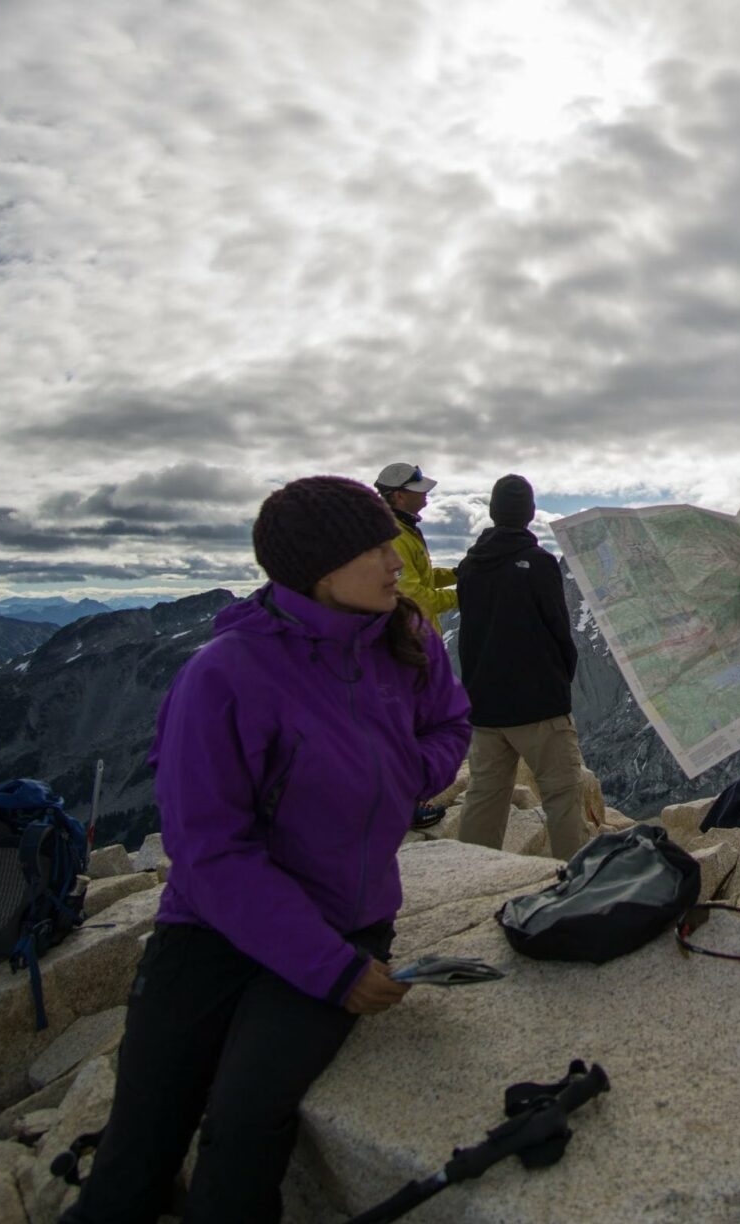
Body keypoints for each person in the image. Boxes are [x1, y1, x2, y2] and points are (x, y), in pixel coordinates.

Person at [61, 477, 472, 1224]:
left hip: (348, 916)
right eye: (376, 549)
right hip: (214, 929)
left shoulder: (406, 640)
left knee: (244, 1122)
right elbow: (209, 852)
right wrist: (333, 971)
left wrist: (406, 772)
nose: (395, 562)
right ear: (318, 571)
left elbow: (450, 724)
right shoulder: (224, 675)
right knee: (138, 1143)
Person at [455, 474, 600, 859]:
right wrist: (559, 681)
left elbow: (468, 635)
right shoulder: (539, 564)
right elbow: (558, 628)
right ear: (531, 513)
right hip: (539, 706)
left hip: (485, 709)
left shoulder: (469, 567)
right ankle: (572, 884)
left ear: (491, 512)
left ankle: (470, 876)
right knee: (562, 798)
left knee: (484, 798)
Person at [375, 461, 458, 629]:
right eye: (419, 489)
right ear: (399, 496)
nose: (426, 491)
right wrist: (463, 596)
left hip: (417, 638)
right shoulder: (395, 537)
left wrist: (458, 573)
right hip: (409, 641)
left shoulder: (404, 530)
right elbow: (413, 597)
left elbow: (421, 578)